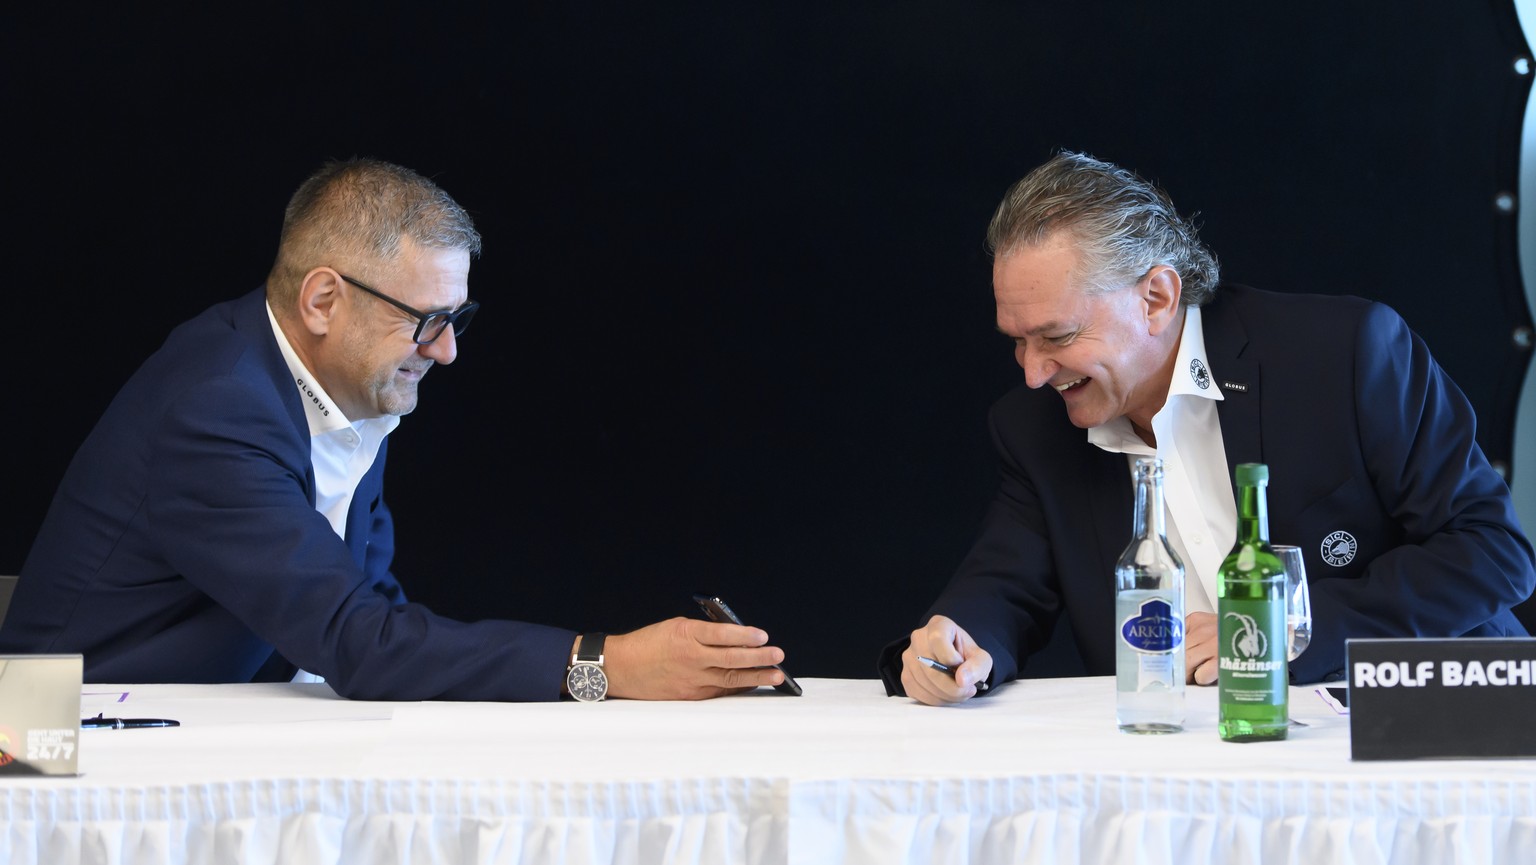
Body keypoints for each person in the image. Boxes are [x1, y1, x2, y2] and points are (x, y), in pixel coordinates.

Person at [0, 158, 787, 702]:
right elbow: (357, 636)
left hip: (219, 726)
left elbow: (369, 607)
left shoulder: (348, 386)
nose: (446, 351)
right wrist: (605, 665)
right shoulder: (214, 407)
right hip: (65, 752)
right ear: (322, 301)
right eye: (428, 320)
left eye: (457, 318)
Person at [879, 151, 1535, 706]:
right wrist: (956, 643)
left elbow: (1491, 551)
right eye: (1017, 341)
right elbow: (1002, 588)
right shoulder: (1034, 428)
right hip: (1192, 776)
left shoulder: (1343, 354)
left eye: (1056, 336)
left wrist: (1279, 631)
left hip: (1418, 734)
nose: (1032, 372)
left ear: (1157, 298)